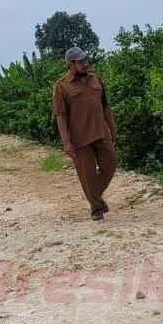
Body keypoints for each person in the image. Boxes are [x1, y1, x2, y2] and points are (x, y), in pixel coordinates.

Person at [52, 46, 118, 220]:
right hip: (80, 139)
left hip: (101, 133)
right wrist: (66, 142)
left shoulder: (96, 79)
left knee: (110, 166)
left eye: (85, 60)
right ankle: (96, 208)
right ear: (71, 64)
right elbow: (60, 116)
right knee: (87, 175)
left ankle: (94, 196)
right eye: (81, 62)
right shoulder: (61, 87)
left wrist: (113, 128)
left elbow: (106, 107)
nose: (85, 64)